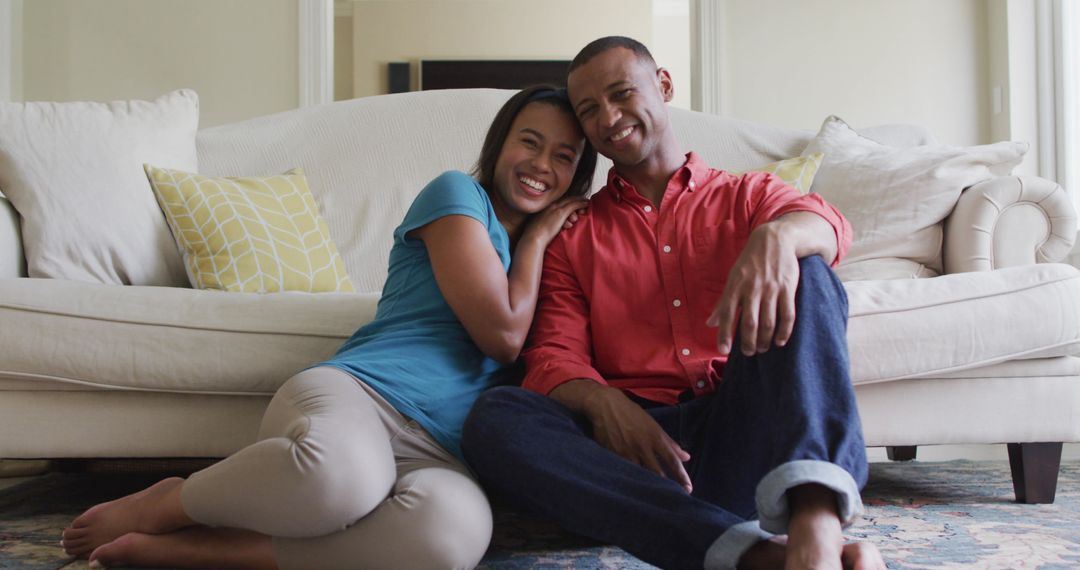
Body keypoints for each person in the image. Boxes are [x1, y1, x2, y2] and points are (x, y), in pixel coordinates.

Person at [59, 85, 597, 570]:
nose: (541, 163)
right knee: (342, 481)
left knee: (451, 536)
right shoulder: (457, 196)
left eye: (563, 156)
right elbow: (501, 337)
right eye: (529, 142)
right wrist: (536, 237)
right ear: (500, 143)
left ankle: (203, 553)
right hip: (364, 397)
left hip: (446, 451)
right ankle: (167, 502)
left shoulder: (567, 255)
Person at [462, 37, 886, 570]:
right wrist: (604, 403)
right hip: (633, 456)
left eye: (621, 94)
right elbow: (553, 354)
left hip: (743, 430)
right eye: (590, 110)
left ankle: (816, 526)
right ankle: (758, 557)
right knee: (497, 417)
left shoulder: (748, 194)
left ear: (663, 85)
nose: (609, 118)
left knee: (810, 268)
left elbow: (828, 224)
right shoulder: (575, 233)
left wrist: (775, 239)